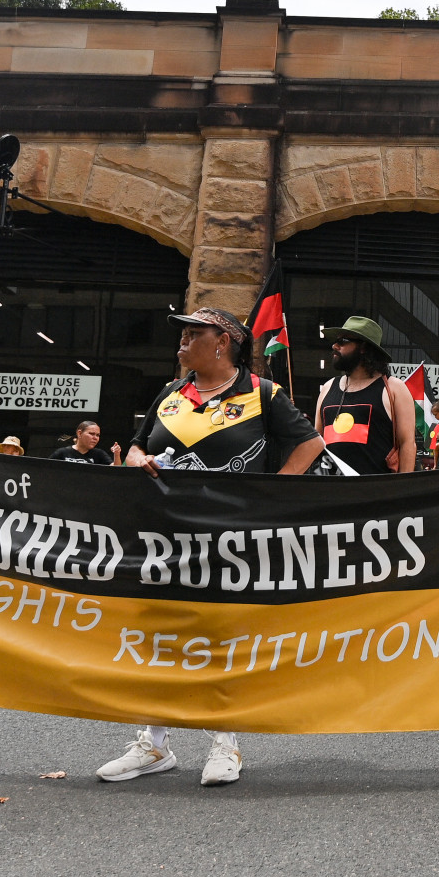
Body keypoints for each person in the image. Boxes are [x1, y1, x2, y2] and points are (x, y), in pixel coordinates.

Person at [98, 306, 323, 788]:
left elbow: (310, 445)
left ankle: (226, 742)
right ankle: (153, 746)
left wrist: (273, 495)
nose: (181, 340)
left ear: (222, 341)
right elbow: (137, 445)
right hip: (165, 537)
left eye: (192, 333)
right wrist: (138, 460)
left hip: (232, 539)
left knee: (224, 638)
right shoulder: (170, 394)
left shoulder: (263, 394)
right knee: (162, 638)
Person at [313, 316, 417, 475]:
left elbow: (407, 444)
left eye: (343, 341)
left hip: (376, 494)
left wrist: (402, 493)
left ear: (363, 347)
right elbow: (316, 443)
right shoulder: (328, 387)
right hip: (331, 493)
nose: (334, 345)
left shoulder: (394, 388)